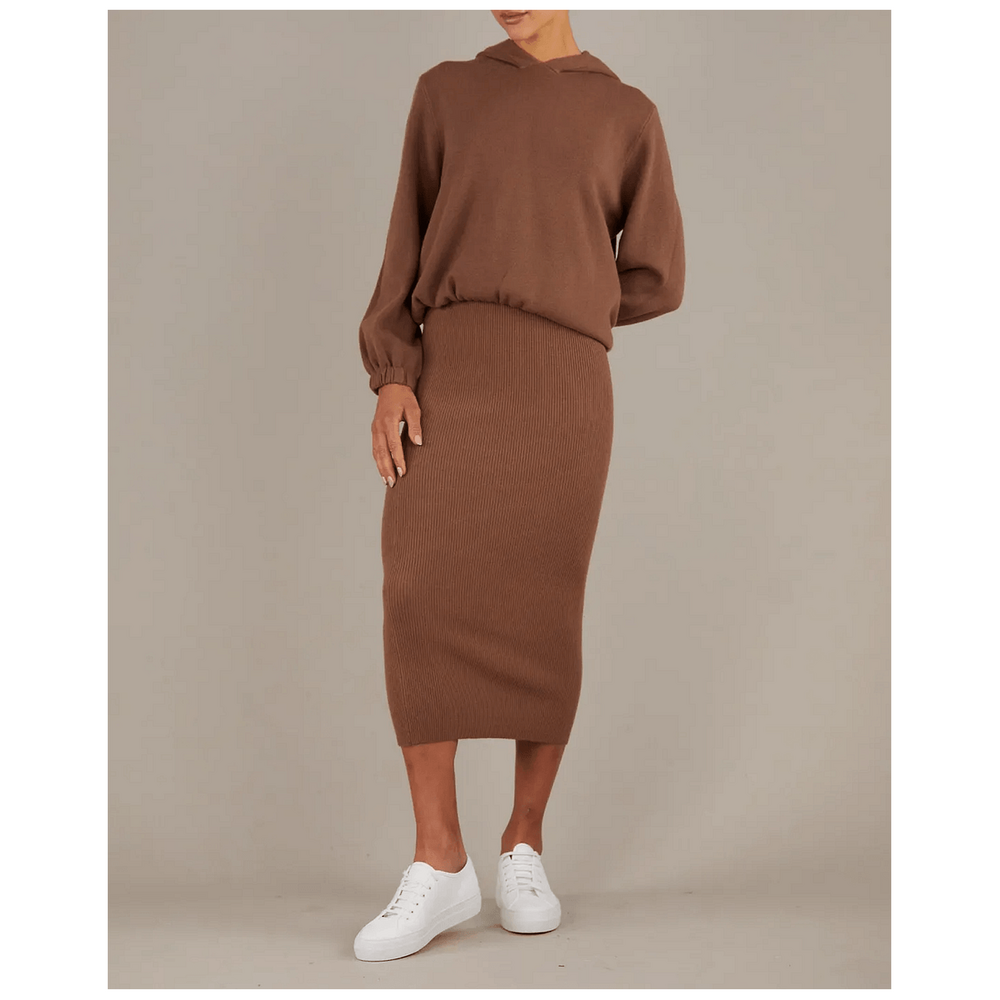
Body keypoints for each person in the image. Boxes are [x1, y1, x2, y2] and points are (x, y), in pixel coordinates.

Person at [354, 10, 684, 962]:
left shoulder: (627, 114)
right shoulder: (447, 92)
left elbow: (658, 274)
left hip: (563, 388)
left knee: (544, 605)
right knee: (418, 594)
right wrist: (394, 372)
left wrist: (566, 299)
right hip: (451, 370)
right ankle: (439, 859)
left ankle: (523, 846)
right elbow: (403, 247)